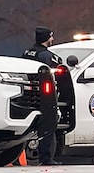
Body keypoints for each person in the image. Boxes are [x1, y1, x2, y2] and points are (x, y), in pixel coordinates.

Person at [22, 26, 63, 166]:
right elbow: (55, 71)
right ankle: (46, 159)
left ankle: (19, 158)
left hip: (28, 94)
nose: (52, 39)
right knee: (48, 127)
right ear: (46, 38)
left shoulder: (27, 52)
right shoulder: (46, 55)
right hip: (45, 96)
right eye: (51, 37)